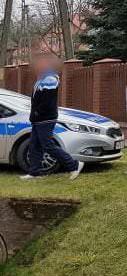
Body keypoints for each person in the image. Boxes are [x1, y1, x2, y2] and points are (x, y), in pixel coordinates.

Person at [20, 53, 83, 181]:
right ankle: (35, 172)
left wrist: (38, 113)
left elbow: (47, 100)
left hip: (45, 118)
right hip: (38, 119)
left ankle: (74, 164)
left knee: (47, 145)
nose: (37, 65)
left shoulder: (50, 78)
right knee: (35, 145)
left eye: (41, 63)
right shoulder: (42, 78)